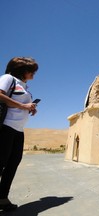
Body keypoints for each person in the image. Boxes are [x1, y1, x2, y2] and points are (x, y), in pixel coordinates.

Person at [0, 57, 39, 211]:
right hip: (5, 128)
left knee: (12, 164)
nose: (34, 74)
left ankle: (2, 198)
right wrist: (23, 105)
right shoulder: (8, 78)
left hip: (18, 130)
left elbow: (21, 105)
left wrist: (30, 107)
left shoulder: (24, 87)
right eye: (32, 71)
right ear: (23, 70)